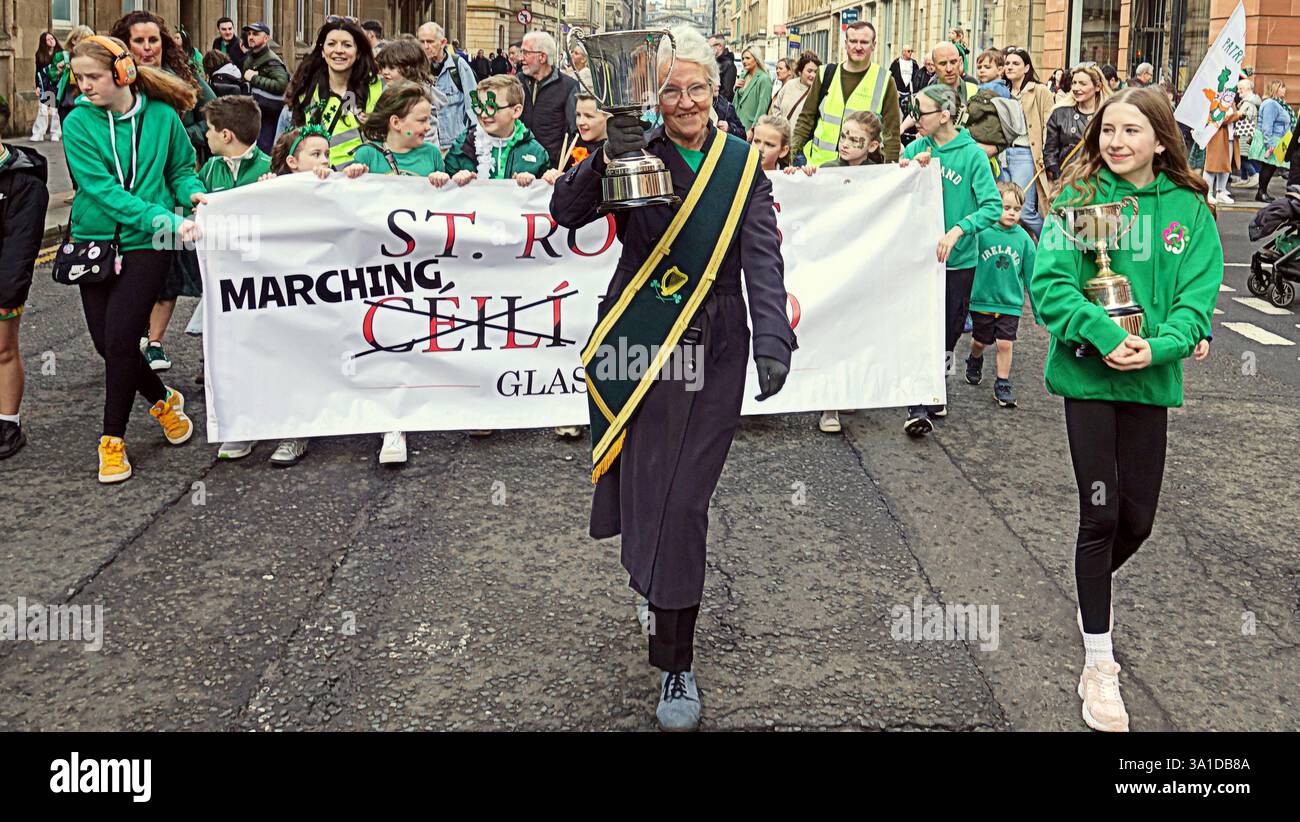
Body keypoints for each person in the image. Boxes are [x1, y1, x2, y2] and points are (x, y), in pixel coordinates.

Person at [551, 25, 793, 732]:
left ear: (715, 91)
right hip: (642, 341)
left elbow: (763, 256)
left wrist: (772, 339)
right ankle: (660, 605)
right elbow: (566, 214)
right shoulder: (634, 152)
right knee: (649, 485)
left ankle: (674, 653)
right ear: (652, 96)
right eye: (670, 89)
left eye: (696, 88)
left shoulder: (742, 163)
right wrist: (605, 150)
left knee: (684, 500)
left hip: (714, 344)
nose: (685, 100)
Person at [1029, 87, 1222, 732]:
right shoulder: (1084, 200)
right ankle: (1098, 663)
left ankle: (1091, 593)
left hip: (1150, 379)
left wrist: (1159, 346)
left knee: (1136, 522)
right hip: (1089, 377)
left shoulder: (1188, 212)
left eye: (1130, 131)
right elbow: (1052, 283)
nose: (1114, 142)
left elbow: (1198, 300)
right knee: (1100, 514)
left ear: (1161, 140)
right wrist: (1107, 337)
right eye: (1107, 129)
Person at [62, 35, 204, 483]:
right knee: (109, 345)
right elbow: (102, 191)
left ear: (122, 73)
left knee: (123, 342)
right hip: (95, 239)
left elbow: (181, 168)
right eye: (78, 76)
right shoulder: (78, 124)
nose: (84, 86)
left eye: (94, 77)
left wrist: (191, 194)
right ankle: (163, 400)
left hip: (151, 241)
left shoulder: (162, 116)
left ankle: (112, 442)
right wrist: (165, 215)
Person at [111, 10, 217, 375]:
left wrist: (191, 137)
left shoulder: (185, 79)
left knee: (166, 266)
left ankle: (154, 341)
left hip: (172, 188)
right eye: (138, 41)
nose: (146, 48)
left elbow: (214, 114)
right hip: (127, 194)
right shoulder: (113, 85)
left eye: (153, 40)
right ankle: (131, 333)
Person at [898, 84, 1001, 436]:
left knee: (949, 330)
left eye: (921, 112)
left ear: (944, 115)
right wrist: (909, 168)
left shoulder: (972, 155)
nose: (914, 119)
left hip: (959, 260)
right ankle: (918, 402)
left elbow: (992, 206)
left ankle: (937, 383)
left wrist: (959, 230)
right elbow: (894, 192)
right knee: (919, 327)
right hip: (920, 260)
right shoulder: (916, 147)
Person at [0, 95, 50, 459]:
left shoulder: (23, 180)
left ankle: (8, 423)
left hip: (2, 284)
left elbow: (21, 247)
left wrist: (7, 294)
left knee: (2, 351)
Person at [965, 181, 1036, 408]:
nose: (1012, 213)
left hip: (1009, 304)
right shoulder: (982, 234)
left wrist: (1039, 310)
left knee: (1005, 343)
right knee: (980, 341)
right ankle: (975, 359)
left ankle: (1002, 383)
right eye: (1006, 208)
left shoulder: (1024, 239)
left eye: (1017, 209)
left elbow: (1032, 275)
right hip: (982, 302)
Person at [793, 21, 902, 165]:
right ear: (846, 43)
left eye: (864, 42)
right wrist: (791, 155)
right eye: (853, 41)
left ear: (873, 45)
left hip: (861, 172)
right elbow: (805, 119)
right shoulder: (825, 74)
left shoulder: (885, 80)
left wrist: (890, 170)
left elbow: (891, 133)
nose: (858, 47)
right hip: (819, 168)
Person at [285, 19, 382, 168]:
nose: (338, 50)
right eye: (331, 44)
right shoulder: (307, 89)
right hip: (317, 176)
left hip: (360, 177)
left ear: (357, 53)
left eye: (347, 45)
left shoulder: (374, 88)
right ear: (323, 51)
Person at [444, 73, 549, 185]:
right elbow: (444, 190)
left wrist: (540, 181)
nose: (484, 115)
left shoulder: (536, 152)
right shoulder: (462, 145)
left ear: (516, 111)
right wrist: (453, 178)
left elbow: (545, 196)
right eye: (480, 106)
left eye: (491, 107)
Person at [1003, 47, 1053, 235]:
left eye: (1016, 63)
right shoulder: (1002, 90)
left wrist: (1044, 155)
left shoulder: (1039, 91)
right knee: (1004, 207)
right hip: (1002, 154)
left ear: (1026, 68)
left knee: (1024, 210)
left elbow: (1049, 123)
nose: (1010, 67)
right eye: (1007, 63)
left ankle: (1049, 242)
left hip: (1025, 154)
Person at [519, 30, 579, 170]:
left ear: (542, 57)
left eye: (526, 53)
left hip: (552, 169)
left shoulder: (568, 86)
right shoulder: (517, 83)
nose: (521, 58)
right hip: (521, 166)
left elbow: (575, 131)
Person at [416, 22, 478, 153]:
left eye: (430, 41)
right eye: (421, 42)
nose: (425, 46)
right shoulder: (415, 69)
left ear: (443, 42)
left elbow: (473, 104)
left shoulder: (458, 66)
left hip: (455, 146)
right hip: (425, 145)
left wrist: (471, 140)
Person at [1044, 64, 1109, 184]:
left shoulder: (1107, 115)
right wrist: (1056, 174)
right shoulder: (1060, 114)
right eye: (1074, 83)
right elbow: (1050, 151)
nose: (1076, 88)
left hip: (1099, 179)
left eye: (1082, 84)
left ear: (1098, 87)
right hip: (1066, 179)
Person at [239, 22, 290, 153]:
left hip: (268, 114)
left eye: (255, 34)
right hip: (254, 112)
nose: (250, 37)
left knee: (263, 151)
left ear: (266, 38)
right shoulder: (251, 56)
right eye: (249, 34)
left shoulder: (272, 61)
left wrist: (255, 78)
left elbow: (281, 84)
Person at [1251, 80, 1290, 202]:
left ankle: (1262, 192)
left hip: (1278, 139)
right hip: (1272, 140)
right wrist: (1269, 144)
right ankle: (1261, 193)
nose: (1284, 89)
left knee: (1270, 167)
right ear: (1274, 89)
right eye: (1282, 87)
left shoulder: (1278, 104)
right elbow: (1267, 125)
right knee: (1268, 167)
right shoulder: (1271, 104)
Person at [1203, 94, 1241, 204]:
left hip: (1230, 136)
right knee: (1212, 165)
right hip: (1216, 136)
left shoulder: (1231, 99)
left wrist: (1239, 115)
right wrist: (1236, 115)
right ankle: (1207, 193)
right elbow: (1217, 118)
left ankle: (1221, 192)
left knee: (1226, 166)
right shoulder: (1215, 99)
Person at [770, 51, 818, 125]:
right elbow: (776, 107)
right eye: (809, 71)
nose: (813, 75)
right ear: (800, 71)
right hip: (783, 133)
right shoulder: (789, 85)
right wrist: (781, 125)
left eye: (816, 72)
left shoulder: (818, 91)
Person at [1230, 78, 1261, 189]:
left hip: (1244, 136)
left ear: (1248, 89)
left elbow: (1246, 119)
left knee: (1242, 157)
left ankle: (1254, 175)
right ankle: (1244, 178)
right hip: (1246, 135)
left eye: (1240, 89)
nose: (1238, 91)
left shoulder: (1248, 104)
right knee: (1243, 156)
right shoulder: (1249, 102)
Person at [733, 48, 772, 136]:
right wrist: (735, 88)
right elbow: (737, 102)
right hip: (735, 126)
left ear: (756, 59)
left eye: (747, 58)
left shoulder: (764, 79)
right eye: (743, 58)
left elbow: (762, 108)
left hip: (749, 128)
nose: (744, 61)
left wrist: (753, 129)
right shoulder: (743, 75)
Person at [32, 32, 63, 141]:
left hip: (56, 83)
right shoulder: (40, 55)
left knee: (55, 110)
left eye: (52, 38)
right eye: (48, 39)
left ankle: (56, 132)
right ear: (44, 43)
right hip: (44, 84)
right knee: (43, 109)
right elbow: (38, 71)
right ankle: (38, 132)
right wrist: (37, 86)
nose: (51, 40)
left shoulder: (60, 53)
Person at [890, 44, 922, 118]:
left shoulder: (914, 63)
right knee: (893, 114)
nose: (910, 53)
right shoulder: (896, 62)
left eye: (911, 51)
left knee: (908, 114)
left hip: (908, 93)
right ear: (903, 52)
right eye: (908, 51)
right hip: (897, 93)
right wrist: (894, 90)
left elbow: (917, 78)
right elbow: (890, 77)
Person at [710, 35, 737, 102]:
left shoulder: (728, 65)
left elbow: (727, 93)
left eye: (711, 46)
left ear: (719, 46)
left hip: (720, 107)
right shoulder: (715, 61)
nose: (709, 49)